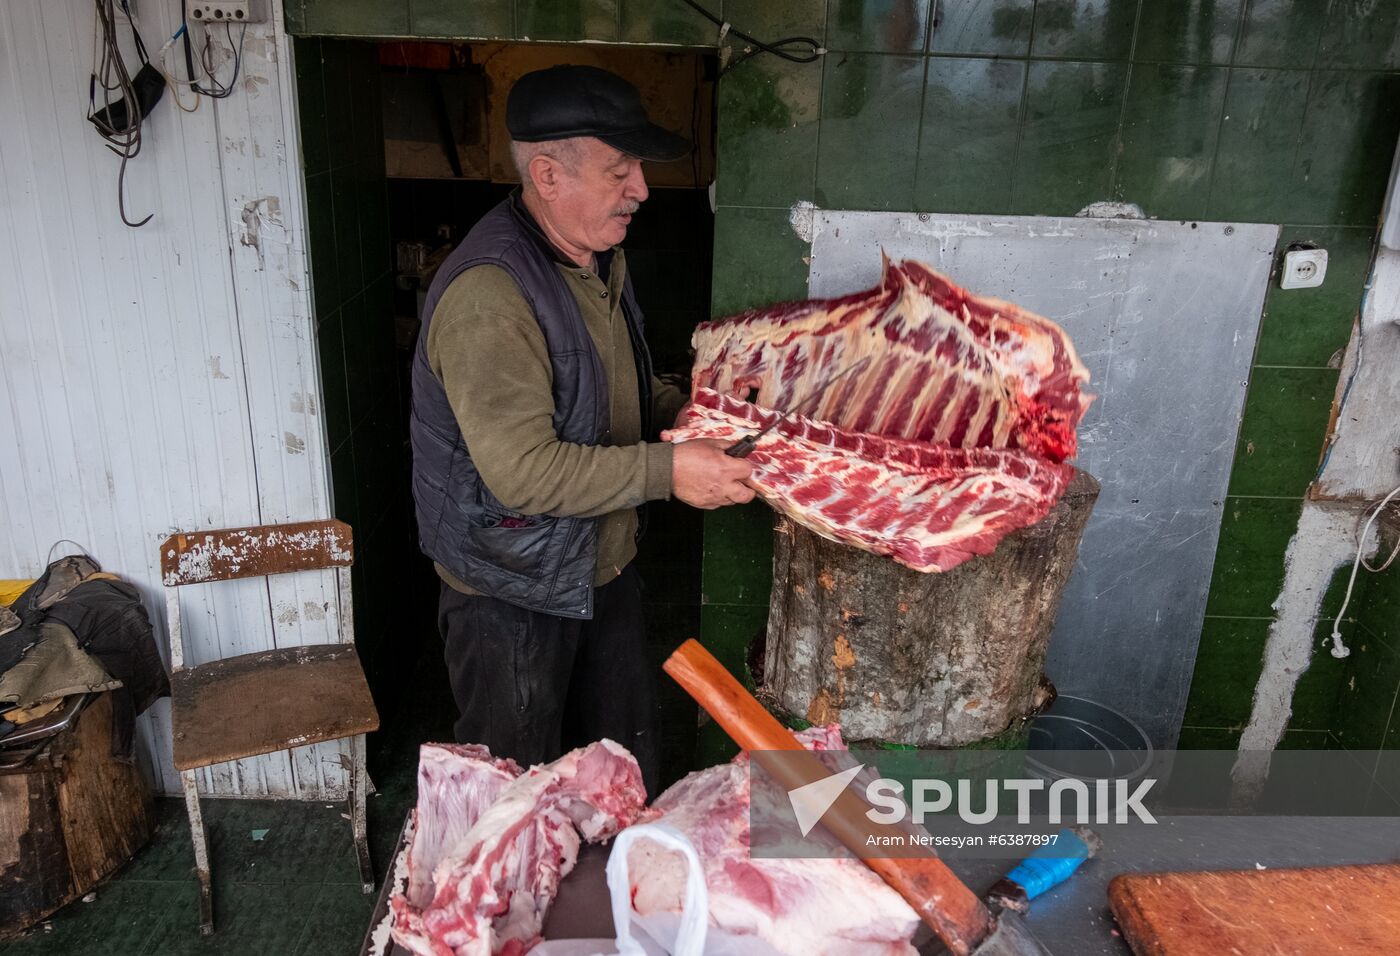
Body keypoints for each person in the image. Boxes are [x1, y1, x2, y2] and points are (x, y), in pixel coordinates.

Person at [409, 65, 753, 796]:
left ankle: (611, 904)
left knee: (617, 784)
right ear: (548, 176)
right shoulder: (490, 296)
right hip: (512, 594)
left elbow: (614, 389)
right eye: (621, 171)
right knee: (516, 803)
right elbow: (523, 473)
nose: (643, 190)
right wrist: (671, 473)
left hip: (599, 569)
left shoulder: (591, 260)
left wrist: (693, 413)